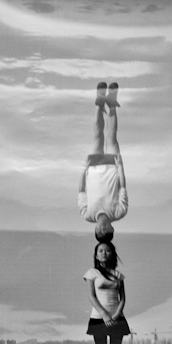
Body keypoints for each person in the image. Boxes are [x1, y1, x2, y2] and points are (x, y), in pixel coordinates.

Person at [78, 82, 128, 239]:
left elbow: (81, 191)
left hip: (93, 168)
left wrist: (84, 169)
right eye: (105, 231)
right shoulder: (119, 213)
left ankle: (99, 104)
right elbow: (122, 188)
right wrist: (120, 168)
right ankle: (112, 103)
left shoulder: (87, 215)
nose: (102, 228)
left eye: (99, 231)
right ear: (111, 229)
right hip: (113, 167)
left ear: (95, 230)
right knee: (111, 137)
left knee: (98, 136)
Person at [84, 241, 130, 344]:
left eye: (107, 251)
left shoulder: (118, 275)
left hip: (118, 318)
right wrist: (104, 315)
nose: (104, 253)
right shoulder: (92, 273)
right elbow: (92, 297)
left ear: (112, 254)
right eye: (101, 251)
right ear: (96, 255)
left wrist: (116, 315)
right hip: (98, 318)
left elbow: (122, 298)